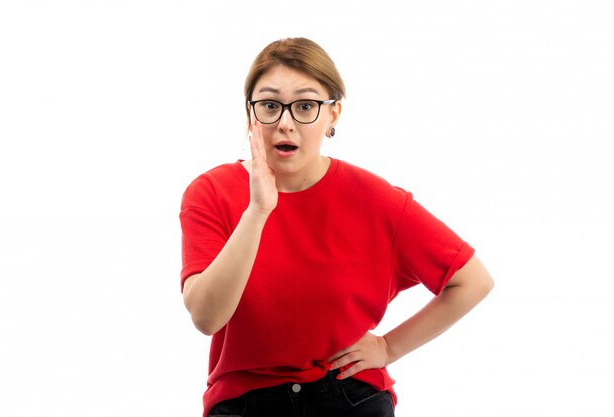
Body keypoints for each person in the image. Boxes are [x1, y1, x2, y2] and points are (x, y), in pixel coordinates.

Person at [180, 37, 494, 417]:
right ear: (250, 115)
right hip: (245, 403)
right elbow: (206, 317)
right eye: (269, 105)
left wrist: (389, 347)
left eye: (306, 106)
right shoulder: (210, 193)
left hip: (347, 395)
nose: (285, 123)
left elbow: (473, 281)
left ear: (333, 116)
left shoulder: (374, 198)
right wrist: (258, 211)